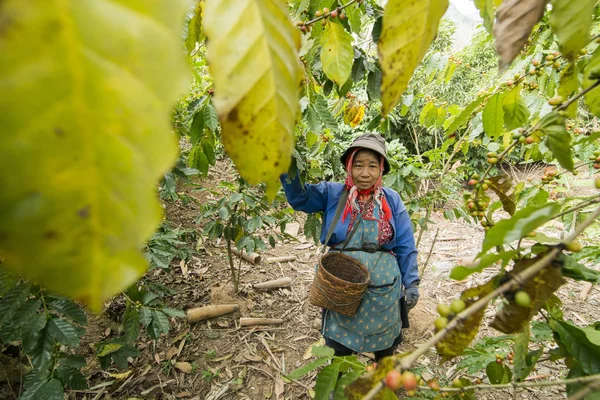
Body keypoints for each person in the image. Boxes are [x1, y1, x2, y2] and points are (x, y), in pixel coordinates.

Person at [280, 133, 419, 361]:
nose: (365, 173)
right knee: (339, 348)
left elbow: (405, 243)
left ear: (382, 169)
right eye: (359, 165)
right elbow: (299, 198)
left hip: (383, 291)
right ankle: (337, 385)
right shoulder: (332, 193)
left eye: (373, 166)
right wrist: (287, 162)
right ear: (349, 166)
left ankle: (381, 386)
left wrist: (411, 283)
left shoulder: (391, 200)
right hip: (342, 288)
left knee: (385, 348)